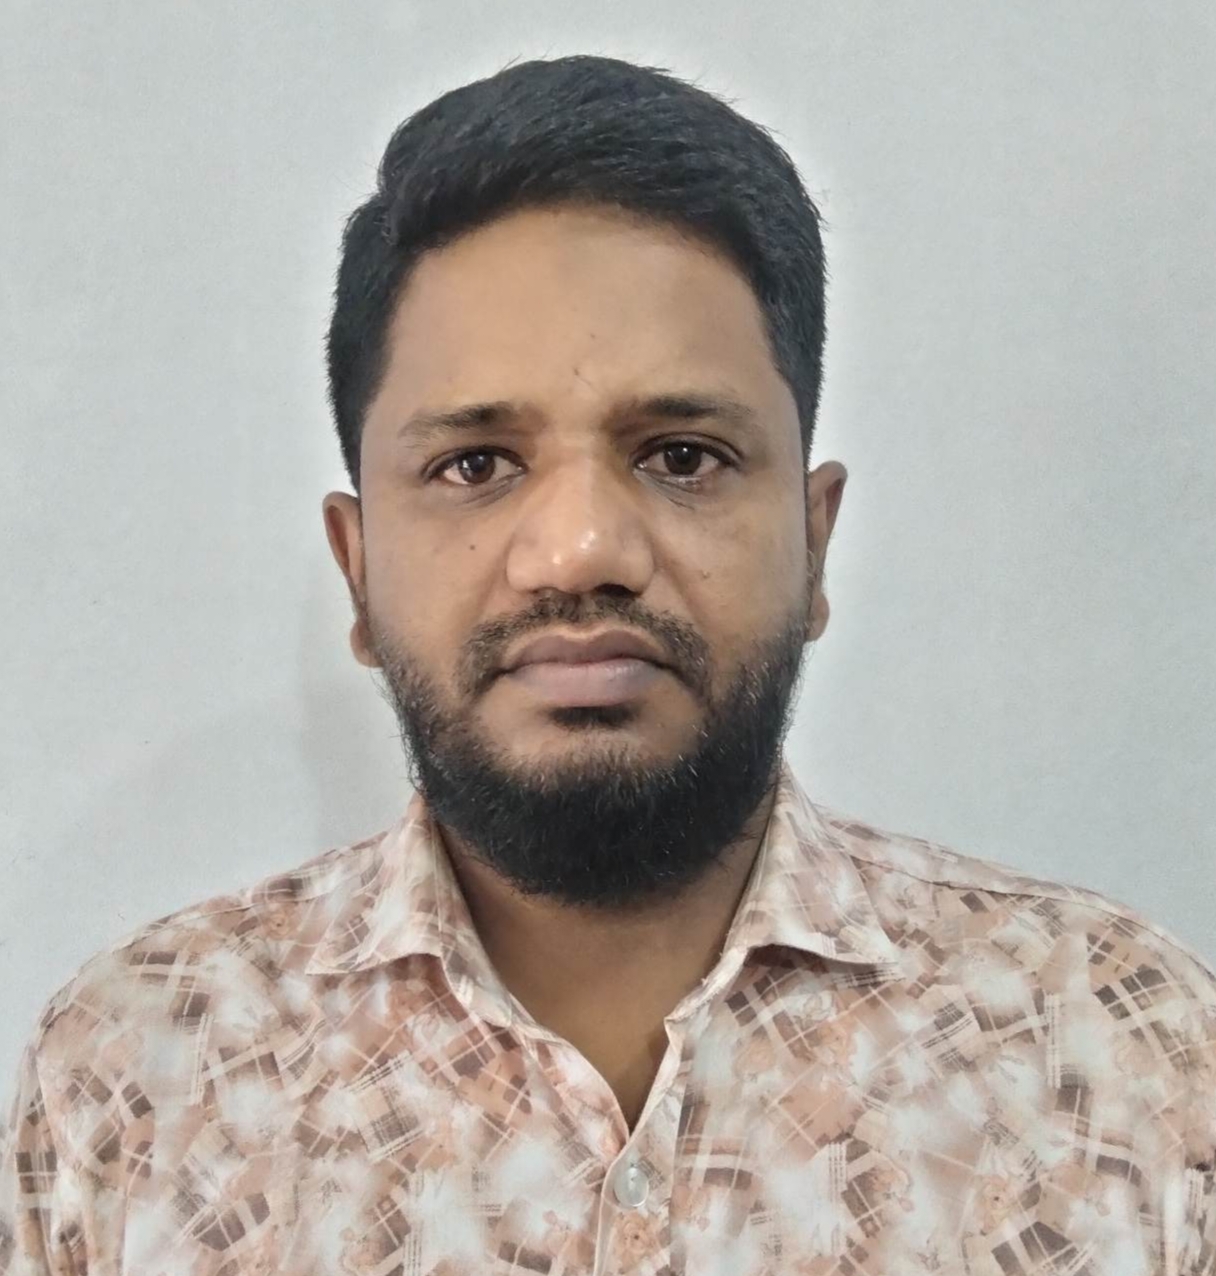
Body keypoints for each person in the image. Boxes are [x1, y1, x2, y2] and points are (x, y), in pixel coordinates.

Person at [2, 52, 1213, 1276]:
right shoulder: (137, 1081)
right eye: (475, 465)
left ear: (814, 541)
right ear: (356, 568)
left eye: (682, 455)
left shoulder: (1124, 1061)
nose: (580, 551)